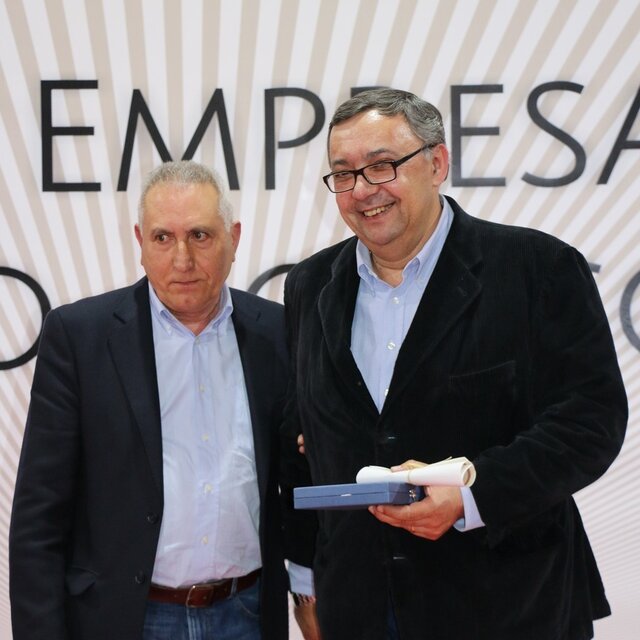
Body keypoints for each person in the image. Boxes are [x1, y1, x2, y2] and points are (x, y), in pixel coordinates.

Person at [281, 88, 628, 640]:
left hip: (508, 606)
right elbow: (305, 440)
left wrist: (473, 494)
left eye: (382, 165)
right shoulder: (309, 284)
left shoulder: (539, 269)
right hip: (359, 609)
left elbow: (590, 424)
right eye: (343, 173)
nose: (362, 189)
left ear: (437, 163)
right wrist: (307, 584)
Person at [9, 160, 292, 640]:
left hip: (246, 613)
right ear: (140, 243)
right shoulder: (80, 338)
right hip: (126, 619)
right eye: (163, 238)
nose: (182, 259)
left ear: (234, 238)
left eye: (200, 235)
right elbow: (39, 519)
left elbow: (298, 477)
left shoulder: (279, 332)